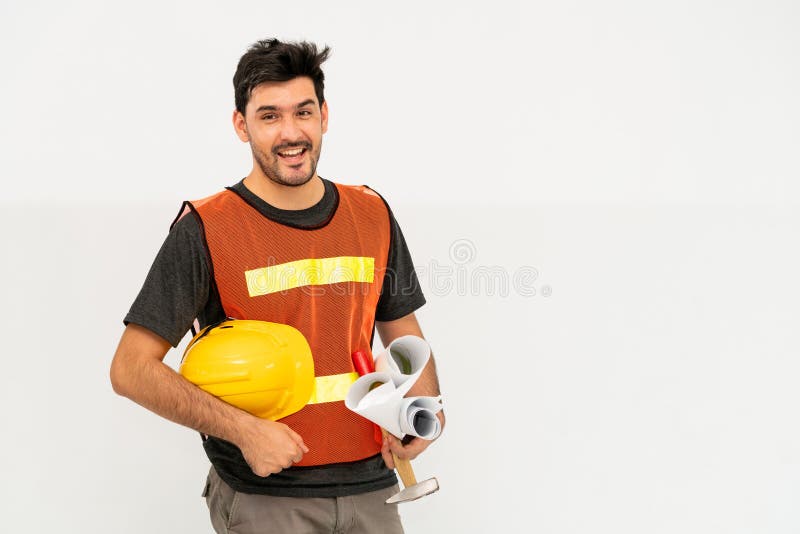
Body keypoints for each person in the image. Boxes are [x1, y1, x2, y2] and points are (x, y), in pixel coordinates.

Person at [109, 38, 444, 533]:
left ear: (325, 116)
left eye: (303, 112)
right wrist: (243, 430)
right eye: (269, 116)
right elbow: (130, 369)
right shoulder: (206, 228)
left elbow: (404, 334)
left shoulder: (371, 213)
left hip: (375, 488)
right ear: (241, 126)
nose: (291, 133)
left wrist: (425, 410)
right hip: (267, 499)